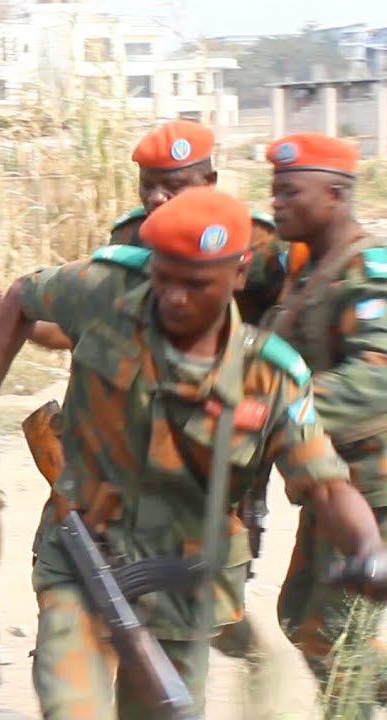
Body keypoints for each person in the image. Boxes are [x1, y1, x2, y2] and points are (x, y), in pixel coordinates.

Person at [0, 185, 387, 719]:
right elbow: (22, 297)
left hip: (183, 592)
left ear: (238, 274)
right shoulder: (106, 291)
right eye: (164, 278)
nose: (176, 298)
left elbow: (325, 484)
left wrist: (368, 550)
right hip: (83, 552)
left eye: (197, 284)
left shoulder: (270, 376)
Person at [0, 118, 288, 350]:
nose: (157, 198)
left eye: (174, 186)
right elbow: (88, 327)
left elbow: (287, 328)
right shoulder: (131, 236)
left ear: (209, 180)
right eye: (148, 185)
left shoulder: (255, 239)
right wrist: (11, 316)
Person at [262, 132, 387, 719]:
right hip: (329, 480)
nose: (276, 201)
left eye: (290, 190)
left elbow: (376, 378)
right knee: (297, 616)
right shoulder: (307, 269)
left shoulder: (368, 271)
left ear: (336, 194)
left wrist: (279, 410)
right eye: (273, 190)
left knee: (336, 641)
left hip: (373, 484)